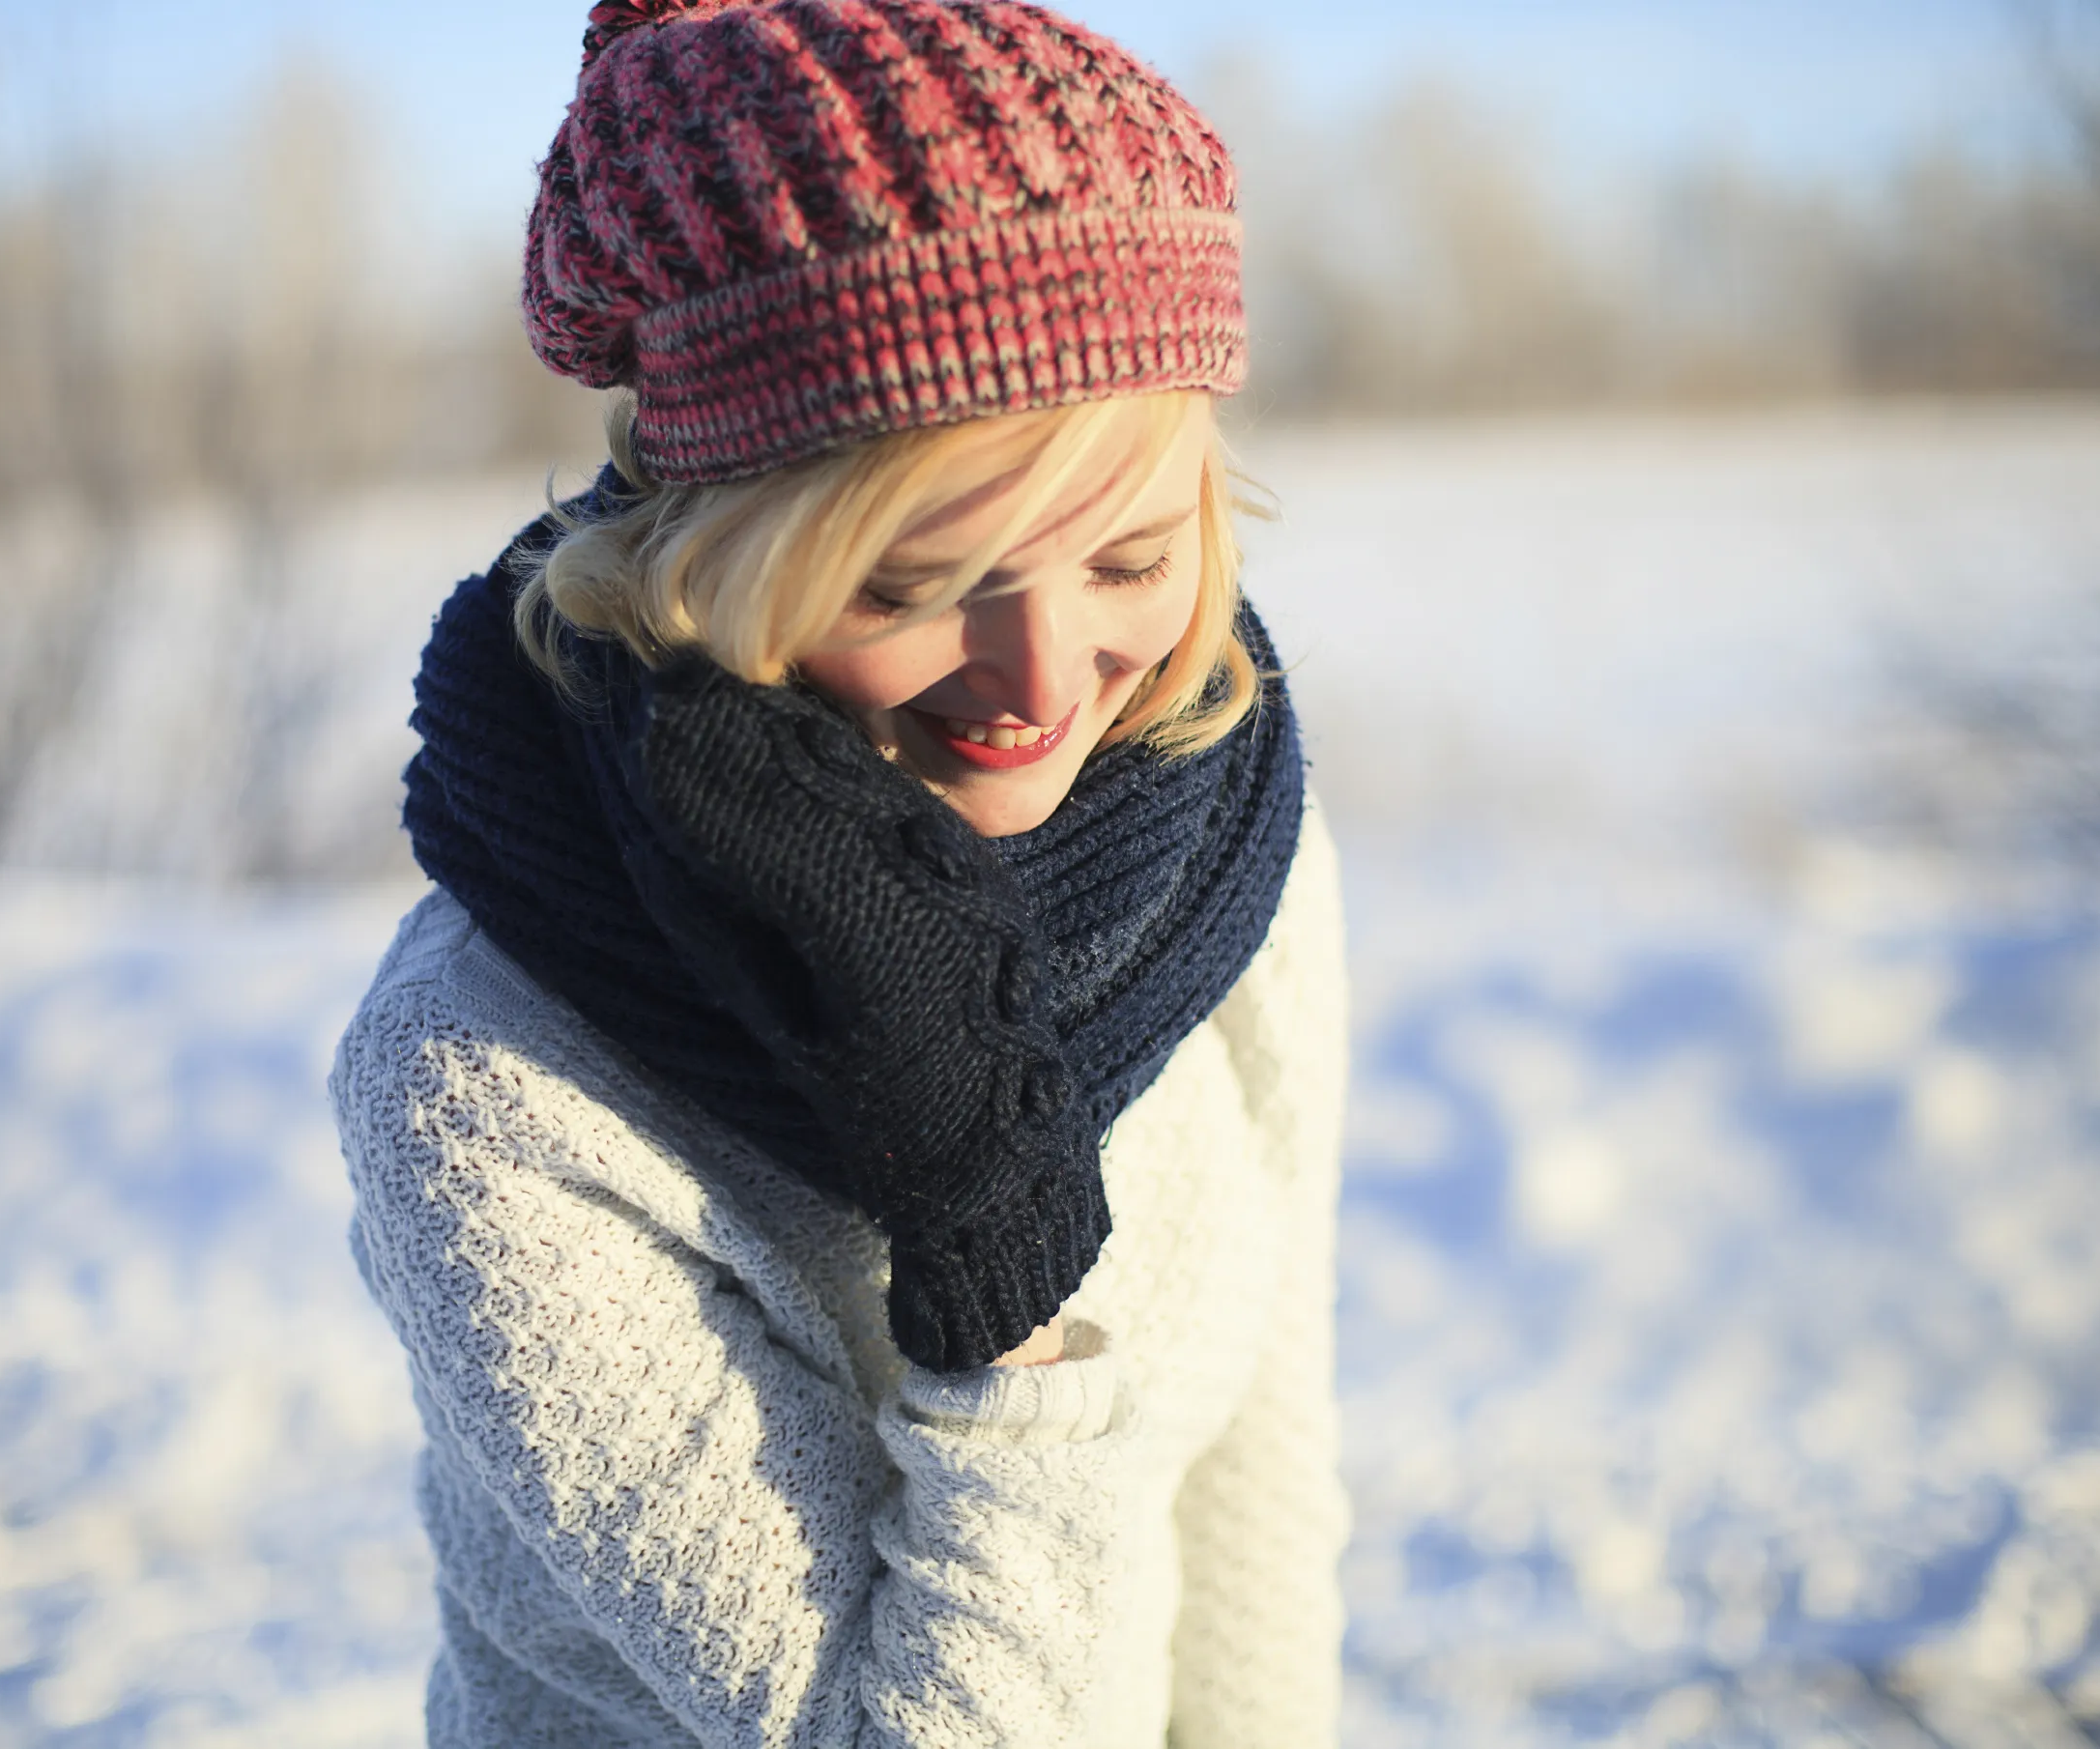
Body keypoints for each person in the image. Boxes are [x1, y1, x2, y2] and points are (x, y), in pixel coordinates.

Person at [330, 1, 1349, 1742]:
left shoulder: (1220, 841)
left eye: (1127, 553)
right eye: (912, 582)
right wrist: (998, 1246)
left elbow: (1257, 1480)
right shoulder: (491, 1087)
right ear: (709, 560)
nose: (1048, 681)